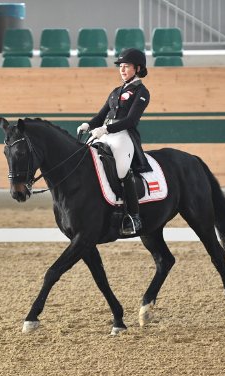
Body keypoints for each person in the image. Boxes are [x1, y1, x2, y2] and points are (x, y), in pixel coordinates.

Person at [77, 47, 151, 235]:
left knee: (121, 170)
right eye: (121, 66)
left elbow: (131, 120)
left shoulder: (141, 91)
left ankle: (134, 216)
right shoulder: (116, 91)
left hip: (123, 136)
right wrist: (88, 124)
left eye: (127, 66)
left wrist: (106, 129)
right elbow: (102, 115)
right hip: (105, 133)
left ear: (137, 68)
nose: (122, 70)